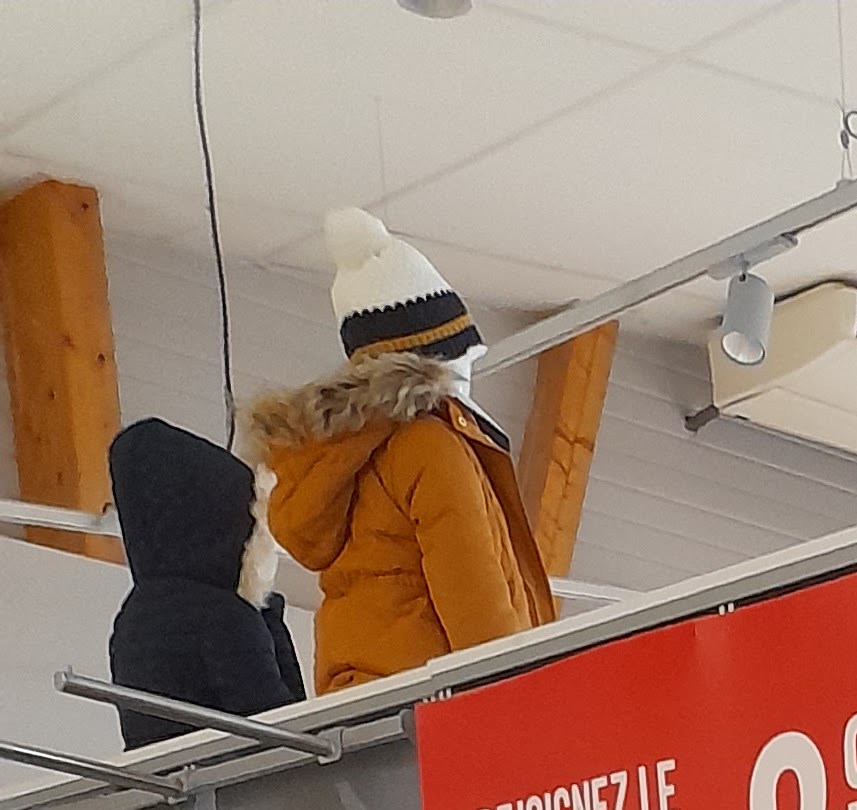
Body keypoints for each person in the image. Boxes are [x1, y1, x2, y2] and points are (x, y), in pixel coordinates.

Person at [238, 209, 554, 696]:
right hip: (439, 701)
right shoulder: (429, 447)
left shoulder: (333, 454)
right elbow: (475, 597)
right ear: (435, 361)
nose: (471, 365)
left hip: (360, 703)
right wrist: (520, 701)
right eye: (465, 353)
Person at [103, 420, 303, 744]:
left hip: (166, 773)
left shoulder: (133, 617)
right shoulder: (224, 616)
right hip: (232, 773)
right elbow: (284, 727)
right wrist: (267, 613)